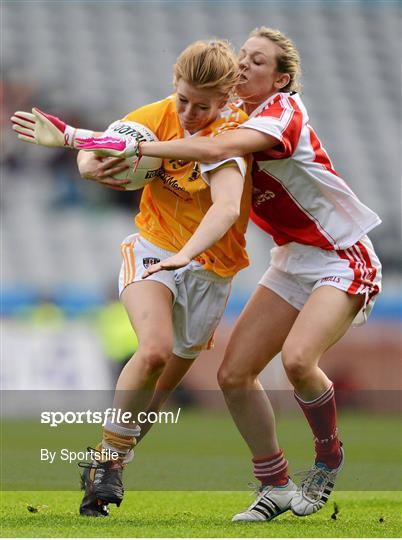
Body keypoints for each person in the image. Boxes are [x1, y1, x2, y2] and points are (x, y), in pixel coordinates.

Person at [76, 27, 382, 522]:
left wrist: (140, 154)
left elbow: (211, 149)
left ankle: (327, 460)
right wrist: (94, 156)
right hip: (289, 258)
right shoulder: (218, 111)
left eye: (257, 62)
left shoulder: (282, 113)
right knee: (233, 375)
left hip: (340, 254)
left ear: (282, 80)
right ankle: (276, 484)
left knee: (299, 361)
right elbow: (169, 129)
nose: (243, 65)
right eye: (242, 56)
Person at [11, 40, 252, 517]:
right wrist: (88, 163)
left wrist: (188, 255)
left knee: (155, 400)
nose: (188, 112)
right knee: (155, 349)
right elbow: (106, 144)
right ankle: (105, 473)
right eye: (182, 99)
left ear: (225, 101)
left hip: (210, 267)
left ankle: (104, 461)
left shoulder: (235, 134)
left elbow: (226, 207)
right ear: (174, 87)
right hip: (152, 249)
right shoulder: (155, 115)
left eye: (202, 106)